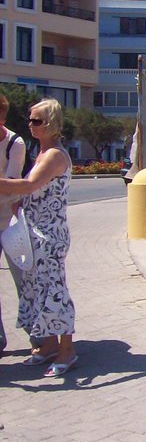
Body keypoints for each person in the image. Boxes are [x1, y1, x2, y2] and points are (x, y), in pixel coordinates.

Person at [0, 98, 76, 376]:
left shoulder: (55, 154)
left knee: (55, 290)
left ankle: (67, 350)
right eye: (29, 120)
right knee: (37, 290)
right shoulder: (42, 152)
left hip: (50, 234)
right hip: (35, 231)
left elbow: (31, 184)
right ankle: (49, 345)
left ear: (51, 123)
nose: (30, 125)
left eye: (36, 121)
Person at [0, 93, 28, 357]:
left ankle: (39, 336)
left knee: (23, 279)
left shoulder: (14, 143)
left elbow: (10, 186)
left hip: (10, 221)